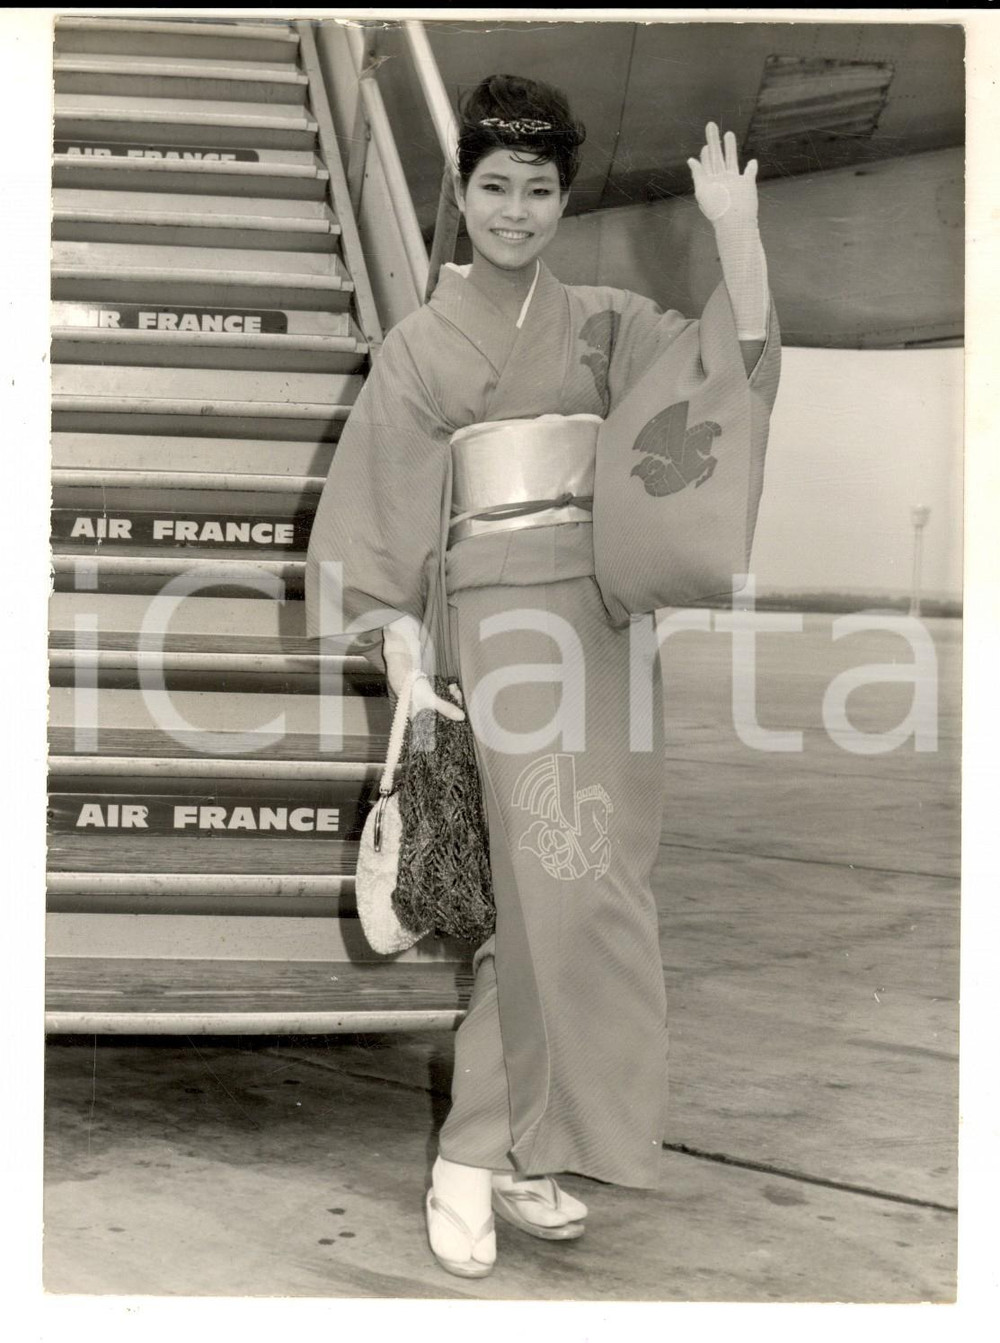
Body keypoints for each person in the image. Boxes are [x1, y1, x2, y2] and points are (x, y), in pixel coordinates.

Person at [305, 73, 779, 1279]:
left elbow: (727, 369)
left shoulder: (605, 321)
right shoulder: (418, 348)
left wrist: (735, 232)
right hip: (493, 628)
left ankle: (526, 1149)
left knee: (593, 890)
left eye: (538, 190)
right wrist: (404, 653)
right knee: (549, 894)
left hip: (600, 626)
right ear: (459, 195)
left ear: (565, 201)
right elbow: (382, 519)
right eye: (493, 187)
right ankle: (474, 1153)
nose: (515, 210)